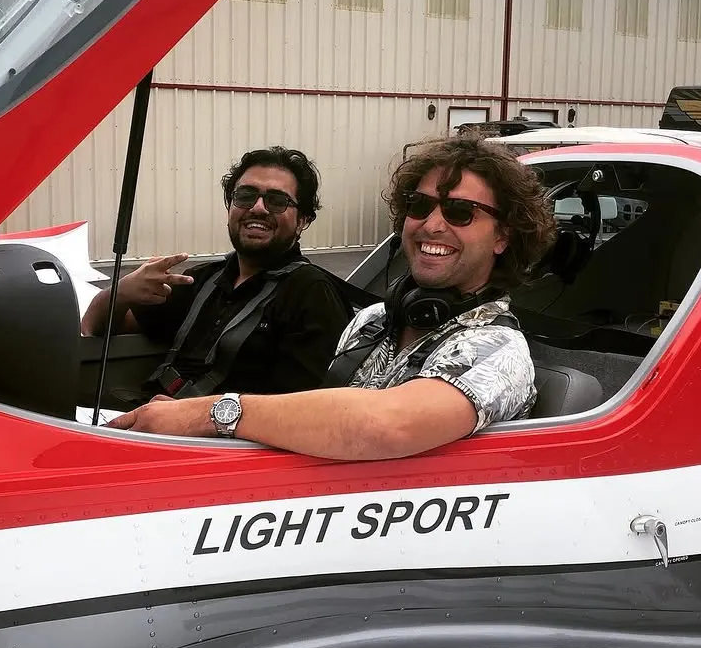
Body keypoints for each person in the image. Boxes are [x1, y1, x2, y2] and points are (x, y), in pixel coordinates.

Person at [107, 136, 556, 458]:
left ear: (502, 237)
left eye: (460, 212)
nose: (432, 225)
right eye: (419, 207)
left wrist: (205, 414)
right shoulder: (374, 321)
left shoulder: (500, 352)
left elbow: (385, 425)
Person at [81, 147, 353, 402]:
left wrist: (191, 419)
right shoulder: (200, 281)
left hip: (219, 447)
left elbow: (305, 413)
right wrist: (122, 292)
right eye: (245, 196)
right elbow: (95, 327)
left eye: (277, 201)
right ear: (229, 208)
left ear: (302, 221)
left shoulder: (314, 296)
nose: (258, 208)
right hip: (151, 421)